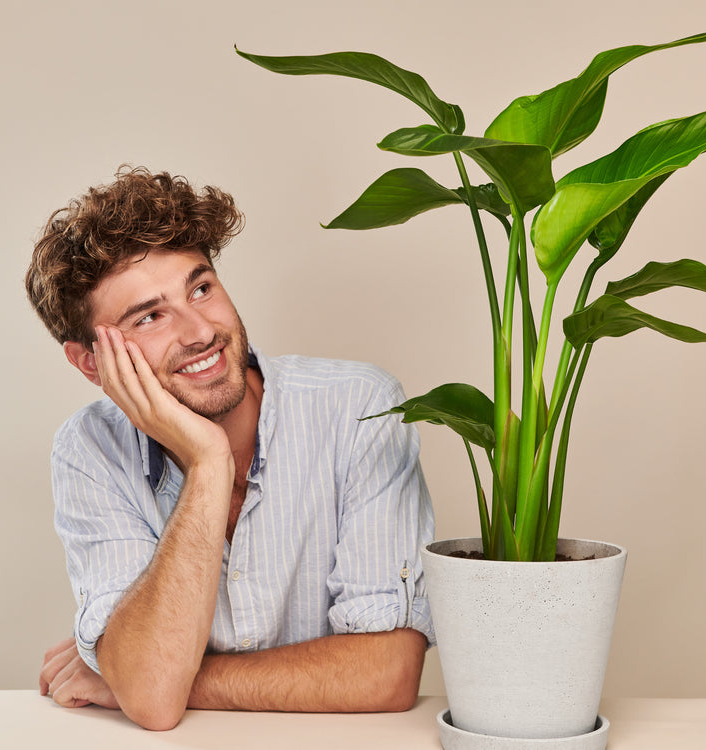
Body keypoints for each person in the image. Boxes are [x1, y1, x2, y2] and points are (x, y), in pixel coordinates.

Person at [27, 166, 435, 731]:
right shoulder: (89, 449)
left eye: (201, 287)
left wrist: (144, 676)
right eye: (149, 316)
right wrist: (208, 462)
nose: (200, 331)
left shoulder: (360, 407)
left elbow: (386, 674)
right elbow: (152, 699)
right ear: (91, 362)